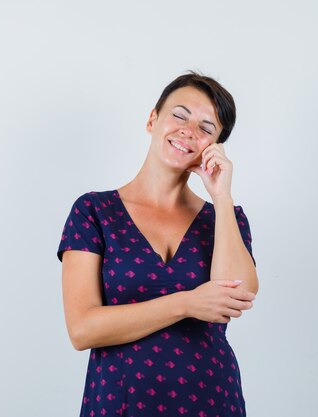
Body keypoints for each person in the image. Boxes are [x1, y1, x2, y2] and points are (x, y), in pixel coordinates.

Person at [56, 71, 259, 417]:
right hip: (121, 404)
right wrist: (186, 303)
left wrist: (222, 197)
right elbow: (82, 329)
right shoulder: (93, 211)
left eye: (206, 128)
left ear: (215, 146)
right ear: (153, 119)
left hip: (211, 401)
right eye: (179, 115)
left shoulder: (226, 220)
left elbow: (236, 296)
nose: (188, 131)